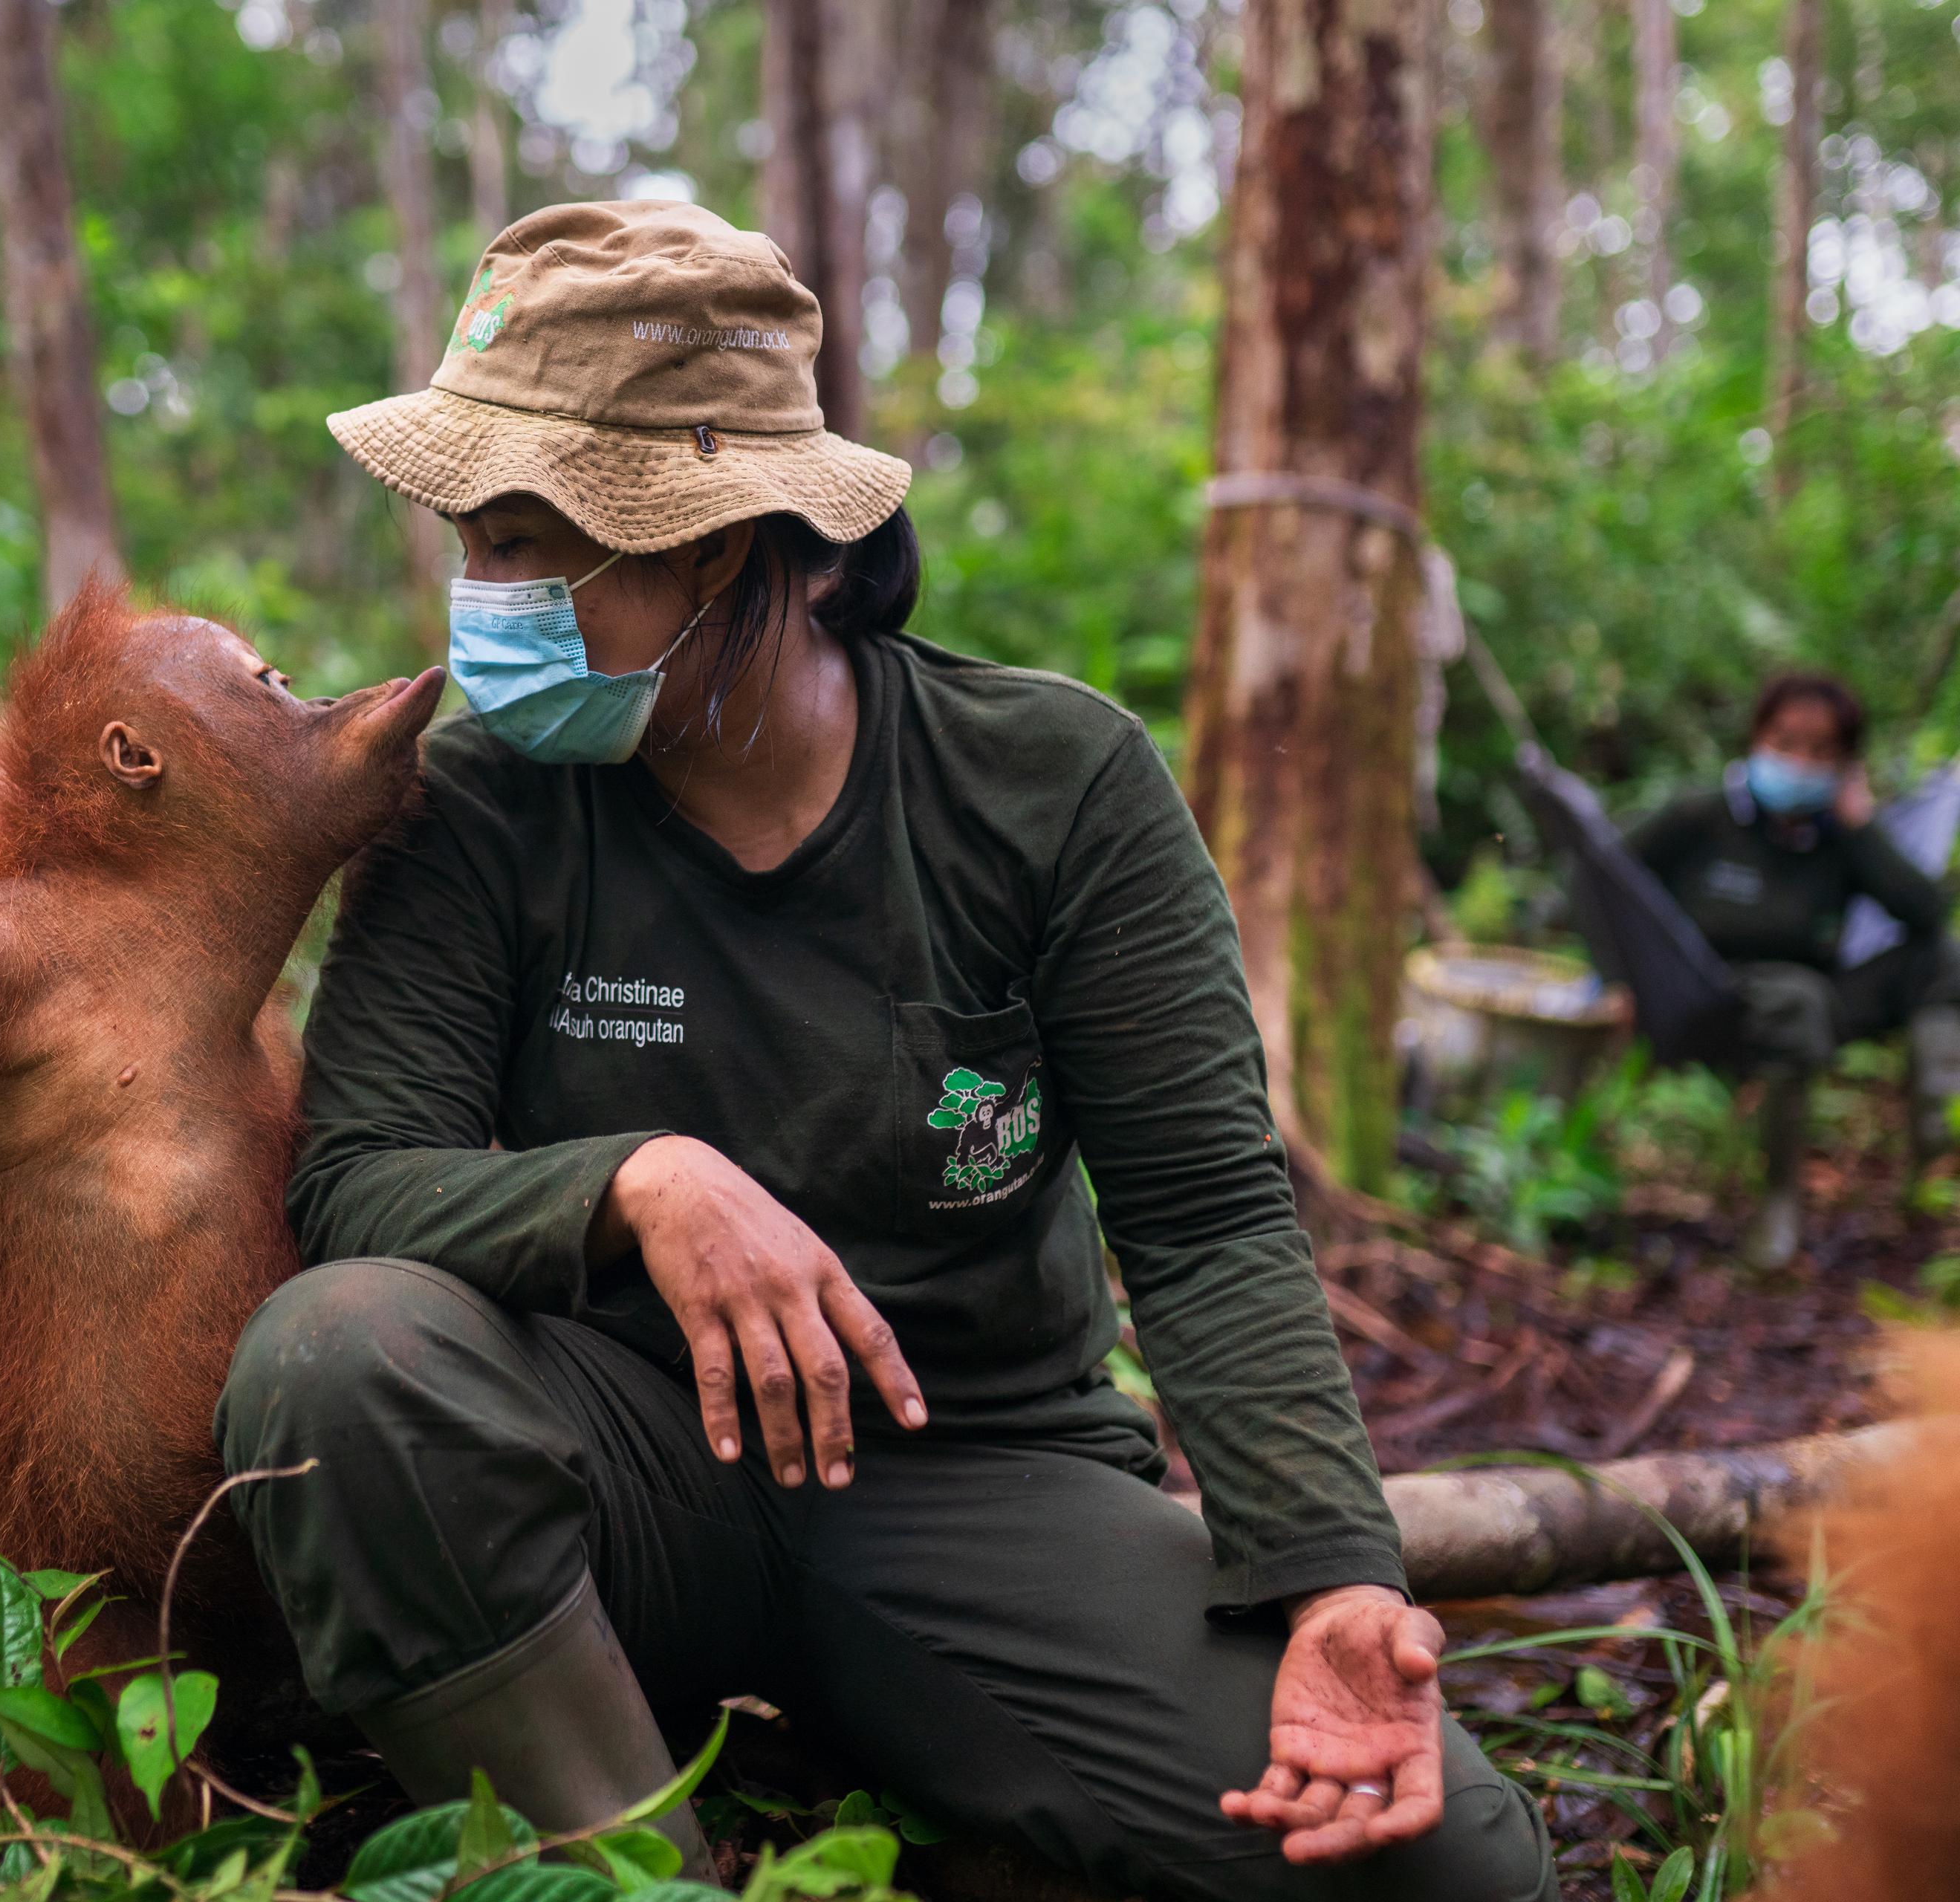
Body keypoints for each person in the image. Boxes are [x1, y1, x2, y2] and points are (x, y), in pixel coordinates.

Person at [214, 201, 1556, 1902]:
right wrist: (638, 1182)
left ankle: (927, 1732)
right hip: (615, 1463)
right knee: (337, 1353)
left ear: (722, 548)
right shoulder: (477, 808)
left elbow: (1210, 1219)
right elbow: (359, 1179)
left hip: (969, 1474)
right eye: (468, 542)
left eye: (524, 543)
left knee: (1451, 1866)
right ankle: (630, 1867)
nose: (482, 599)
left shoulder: (1047, 786)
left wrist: (1334, 1570)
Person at [1626, 674, 1960, 1267]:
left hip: (1817, 1000)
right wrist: (1620, 977)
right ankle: (1779, 1202)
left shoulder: (1840, 837)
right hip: (1712, 995)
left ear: (1845, 764)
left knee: (1944, 962)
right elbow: (1606, 883)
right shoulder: (1701, 816)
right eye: (1785, 744)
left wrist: (1861, 828)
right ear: (1757, 739)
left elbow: (1927, 913)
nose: (1799, 763)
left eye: (1820, 751)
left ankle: (1939, 1160)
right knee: (1797, 999)